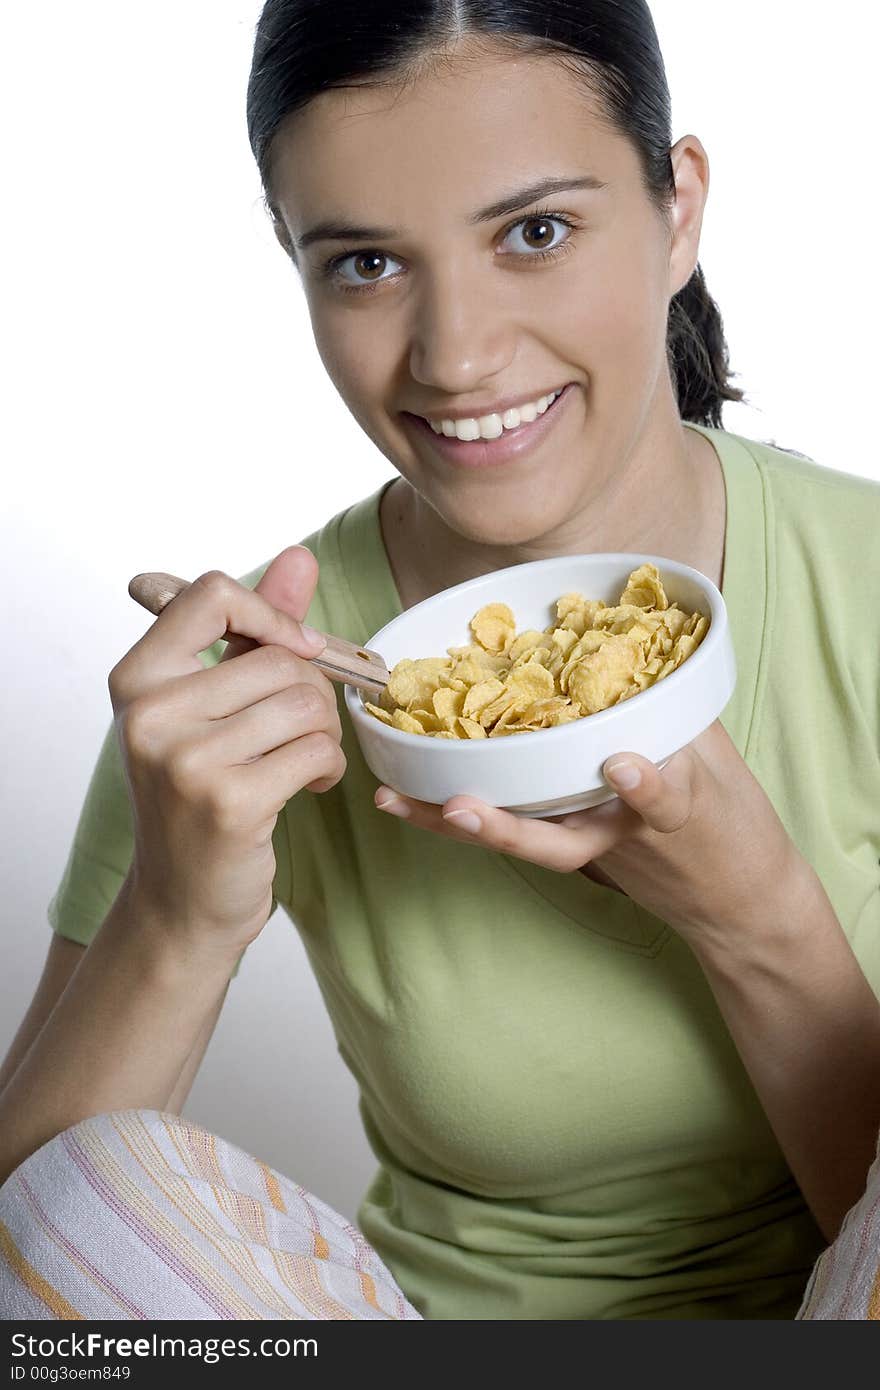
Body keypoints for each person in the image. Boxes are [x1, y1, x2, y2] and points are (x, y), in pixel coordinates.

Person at [2, 0, 880, 1322]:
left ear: (679, 208)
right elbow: (43, 1257)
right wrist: (177, 912)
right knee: (93, 1202)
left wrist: (755, 915)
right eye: (364, 263)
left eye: (536, 232)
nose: (456, 355)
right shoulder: (254, 667)